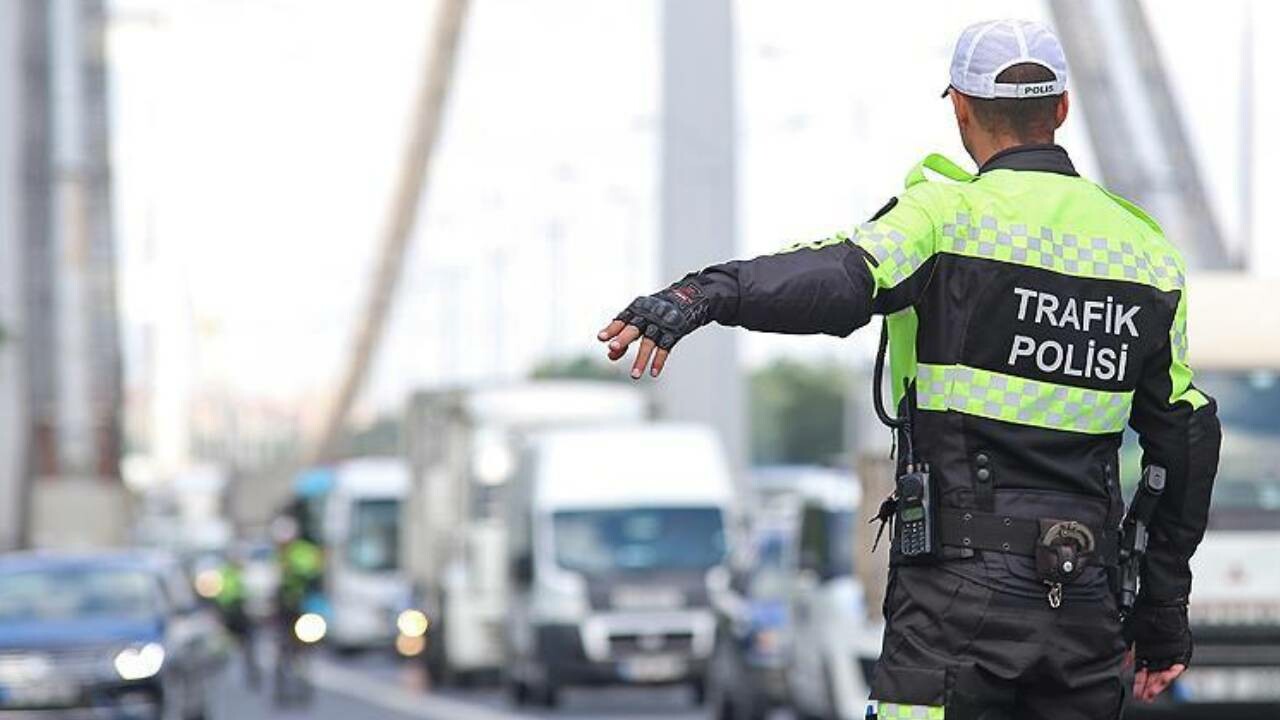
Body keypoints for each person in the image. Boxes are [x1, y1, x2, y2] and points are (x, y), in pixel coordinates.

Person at [598, 18, 1221, 720]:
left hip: (957, 601)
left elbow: (835, 277)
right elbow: (1187, 439)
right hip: (1086, 603)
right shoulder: (1144, 252)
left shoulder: (946, 217)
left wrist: (703, 294)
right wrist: (1162, 609)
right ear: (1063, 110)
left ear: (959, 106)